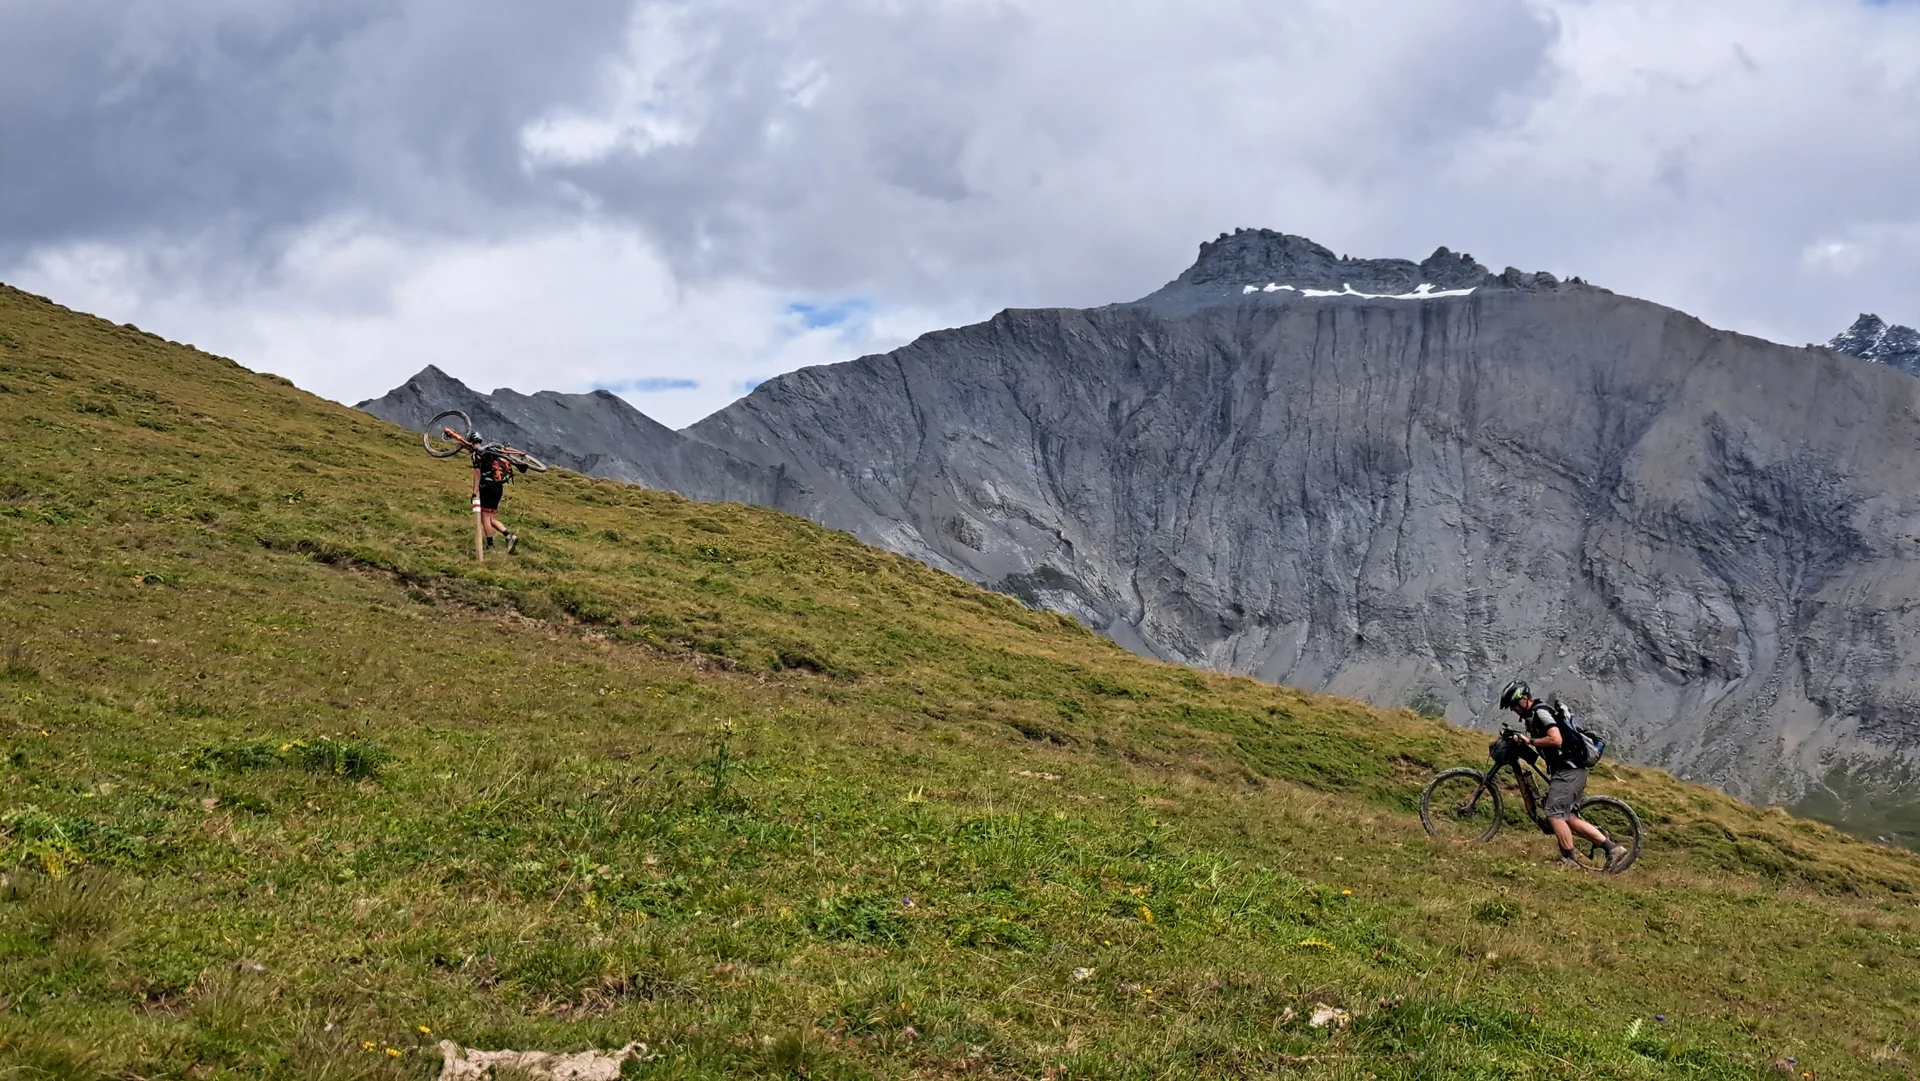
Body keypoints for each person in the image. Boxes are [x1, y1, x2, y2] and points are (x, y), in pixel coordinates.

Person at [1499, 679, 1627, 870]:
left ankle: (1570, 860)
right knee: (1569, 817)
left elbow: (1556, 739)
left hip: (1569, 771)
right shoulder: (1534, 715)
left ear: (1525, 699)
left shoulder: (1541, 712)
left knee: (1554, 812)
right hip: (1569, 771)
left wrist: (1530, 741)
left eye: (1514, 705)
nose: (1514, 709)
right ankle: (1612, 849)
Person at [470, 440, 520, 554]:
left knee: (485, 517)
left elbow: (477, 473)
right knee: (491, 517)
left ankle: (490, 545)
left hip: (487, 487)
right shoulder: (492, 452)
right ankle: (509, 536)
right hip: (498, 488)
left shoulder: (477, 454)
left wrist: (474, 491)